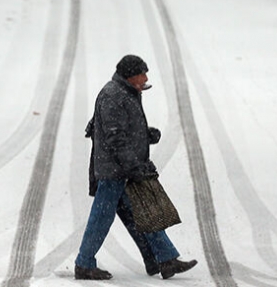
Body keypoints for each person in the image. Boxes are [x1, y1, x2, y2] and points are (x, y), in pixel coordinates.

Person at [75, 54, 198, 280]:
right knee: (102, 217)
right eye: (142, 73)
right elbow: (115, 137)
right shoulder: (113, 96)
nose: (146, 78)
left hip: (120, 168)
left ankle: (164, 260)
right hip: (114, 170)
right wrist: (134, 166)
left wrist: (144, 135)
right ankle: (84, 263)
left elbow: (122, 130)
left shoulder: (126, 93)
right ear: (130, 76)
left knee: (141, 214)